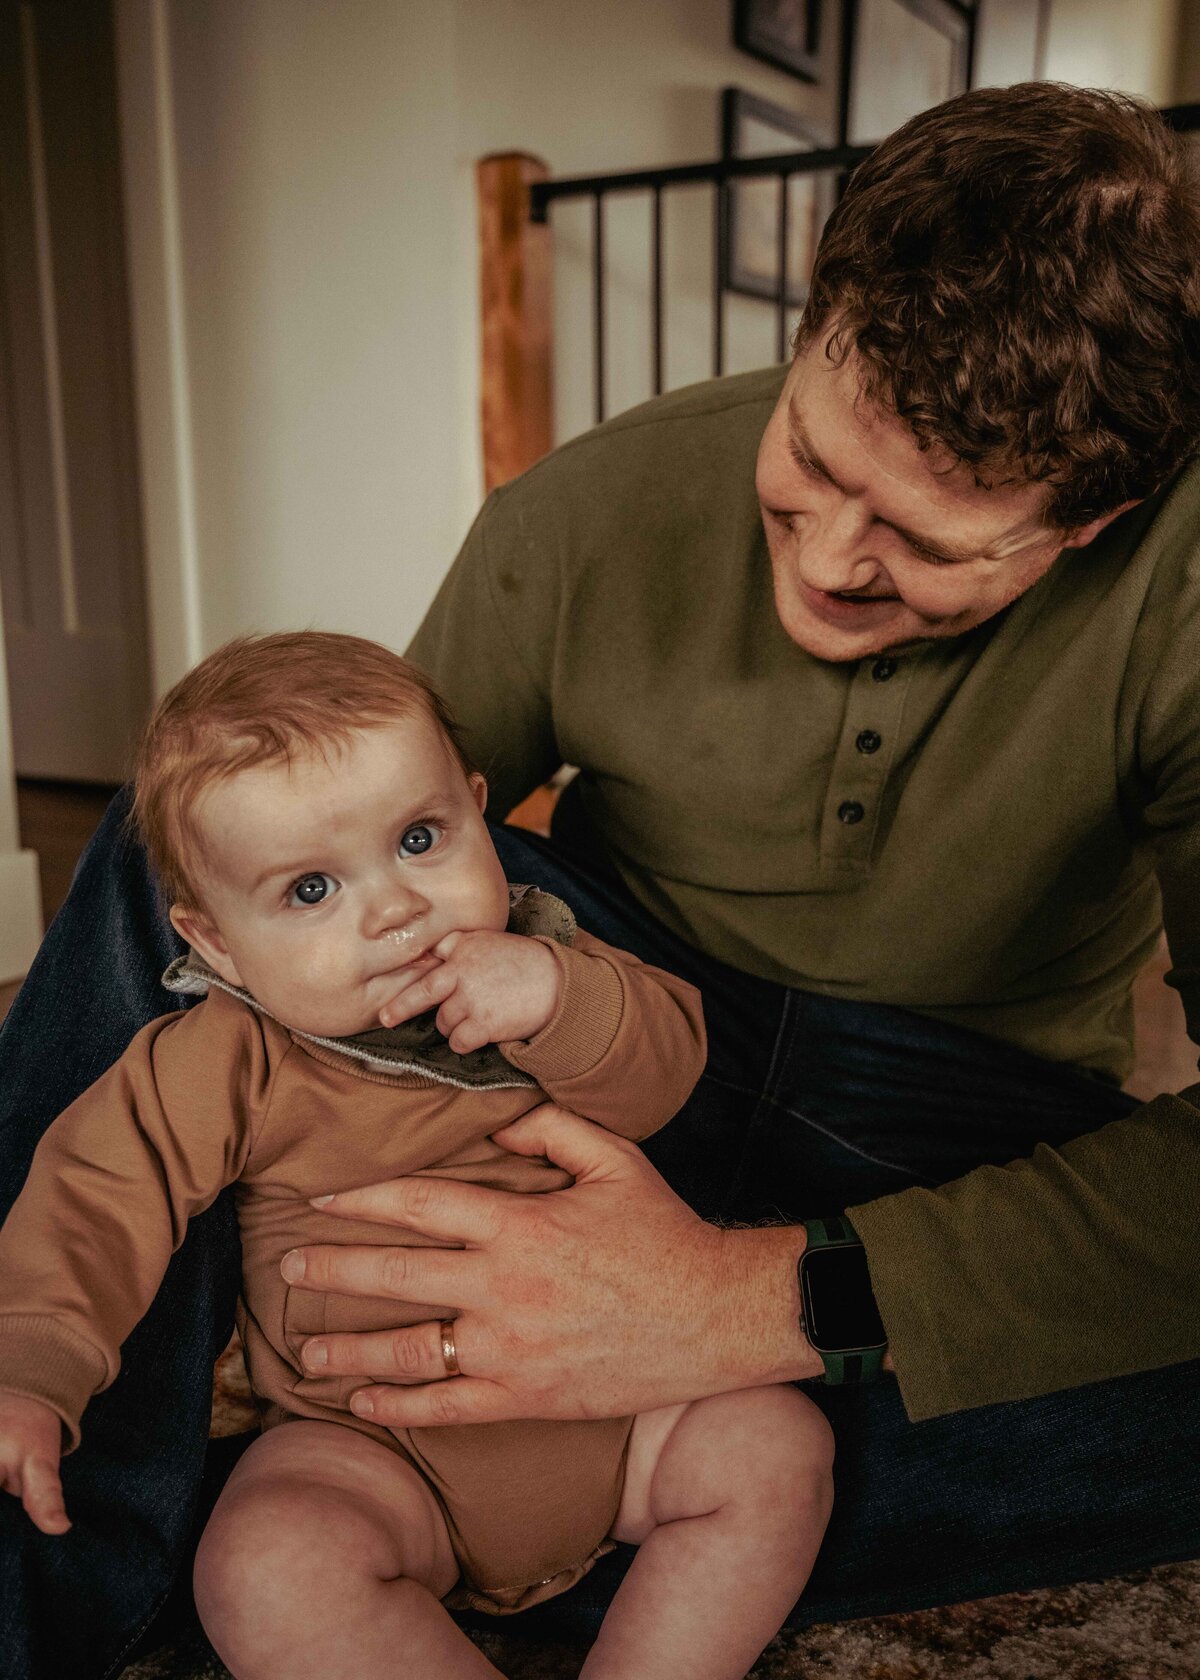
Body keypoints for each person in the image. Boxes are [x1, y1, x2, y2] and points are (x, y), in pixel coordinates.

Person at [0, 78, 1198, 1679]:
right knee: (204, 842)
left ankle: (483, 1486)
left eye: (922, 541)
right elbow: (361, 834)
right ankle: (62, 1514)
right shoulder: (581, 512)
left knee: (985, 1379)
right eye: (807, 459)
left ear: (1089, 524)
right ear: (817, 325)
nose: (830, 561)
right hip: (596, 1023)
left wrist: (752, 1303)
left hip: (942, 1121)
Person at [0, 630, 834, 1680]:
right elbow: (94, 1196)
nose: (394, 911)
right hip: (373, 1450)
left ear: (480, 810)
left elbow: (668, 1071)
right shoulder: (231, 1056)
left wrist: (556, 999)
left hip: (623, 1417)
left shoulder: (551, 964)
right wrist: (30, 1368)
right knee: (266, 1563)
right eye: (312, 891)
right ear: (211, 942)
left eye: (419, 840)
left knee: (775, 1445)